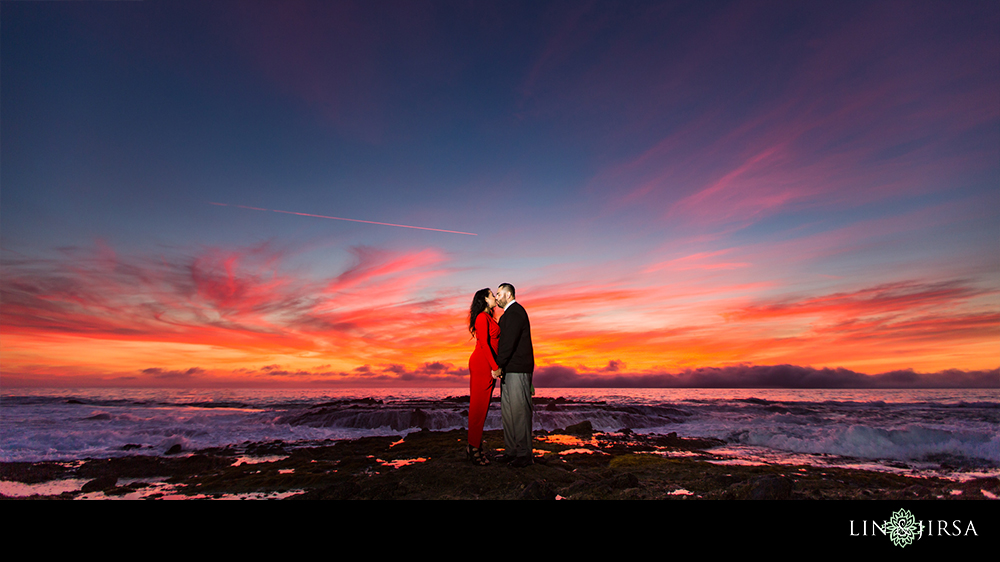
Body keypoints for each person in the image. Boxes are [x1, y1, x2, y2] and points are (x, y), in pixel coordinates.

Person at [491, 283, 535, 468]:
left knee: (519, 413)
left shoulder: (516, 312)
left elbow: (508, 343)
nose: (496, 297)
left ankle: (524, 454)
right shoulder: (507, 315)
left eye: (499, 293)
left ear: (508, 294)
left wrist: (498, 364)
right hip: (509, 370)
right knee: (508, 413)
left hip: (517, 370)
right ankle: (511, 451)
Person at [466, 288, 499, 466]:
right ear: (485, 299)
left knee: (483, 407)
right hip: (482, 364)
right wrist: (495, 367)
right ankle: (473, 448)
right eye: (492, 295)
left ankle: (475, 445)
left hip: (488, 364)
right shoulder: (481, 317)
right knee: (478, 408)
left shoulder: (489, 318)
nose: (494, 298)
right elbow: (485, 344)